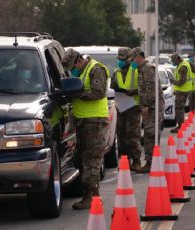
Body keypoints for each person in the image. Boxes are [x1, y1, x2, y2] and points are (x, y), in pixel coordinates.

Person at [61, 48, 109, 210]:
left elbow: (99, 93)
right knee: (83, 159)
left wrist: (76, 94)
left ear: (79, 61)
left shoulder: (96, 69)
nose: (72, 71)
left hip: (95, 122)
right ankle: (92, 195)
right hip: (83, 122)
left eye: (73, 67)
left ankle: (91, 197)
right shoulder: (81, 72)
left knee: (92, 160)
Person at [129, 48, 164, 173]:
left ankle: (151, 163)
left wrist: (147, 105)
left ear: (139, 57)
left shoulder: (147, 68)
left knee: (151, 134)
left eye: (132, 59)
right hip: (151, 106)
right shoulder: (142, 69)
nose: (131, 62)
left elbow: (151, 89)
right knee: (149, 133)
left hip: (153, 107)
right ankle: (151, 162)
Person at [110, 47, 142, 172]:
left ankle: (136, 160)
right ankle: (124, 160)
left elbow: (144, 87)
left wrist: (133, 92)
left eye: (123, 59)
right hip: (120, 107)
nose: (121, 62)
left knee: (133, 134)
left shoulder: (137, 71)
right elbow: (112, 88)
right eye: (119, 59)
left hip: (133, 106)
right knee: (121, 133)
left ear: (129, 59)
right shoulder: (116, 72)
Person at [169, 54, 192, 133]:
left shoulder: (182, 67)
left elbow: (182, 81)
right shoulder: (182, 64)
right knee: (179, 108)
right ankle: (180, 125)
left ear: (177, 59)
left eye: (173, 60)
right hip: (182, 90)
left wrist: (173, 81)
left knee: (179, 108)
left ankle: (180, 126)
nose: (172, 62)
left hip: (183, 91)